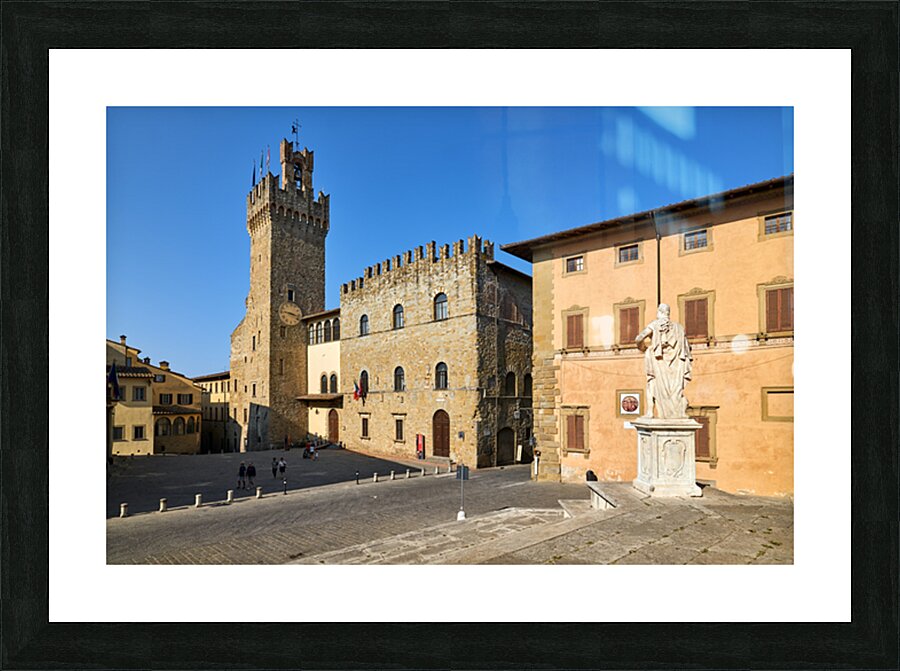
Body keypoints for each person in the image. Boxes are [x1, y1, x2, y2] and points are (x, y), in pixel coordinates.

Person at [634, 303, 692, 419]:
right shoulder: (679, 328)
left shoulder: (654, 325)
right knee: (675, 389)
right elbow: (687, 348)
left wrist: (643, 348)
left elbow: (639, 338)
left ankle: (650, 412)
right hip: (676, 363)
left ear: (659, 312)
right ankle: (677, 412)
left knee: (652, 384)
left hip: (658, 360)